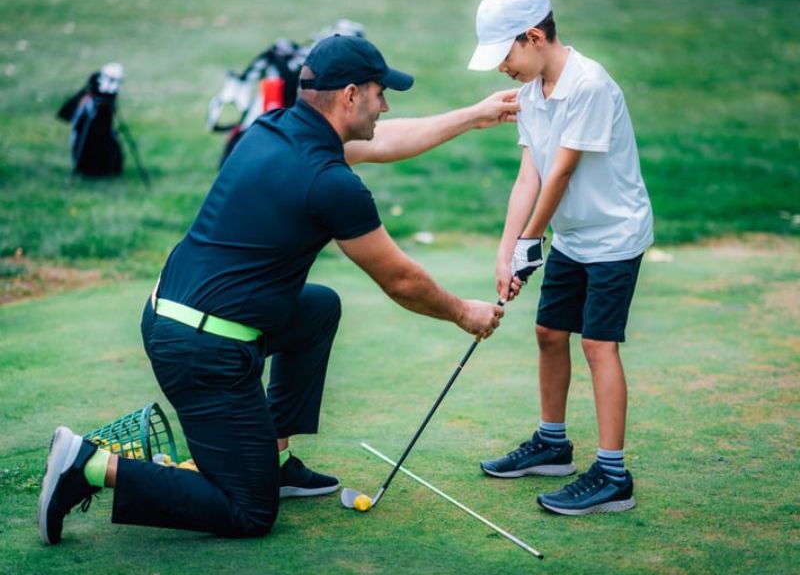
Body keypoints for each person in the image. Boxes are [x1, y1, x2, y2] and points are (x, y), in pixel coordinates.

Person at [38, 34, 512, 545]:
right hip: (202, 352)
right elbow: (400, 280)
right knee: (248, 512)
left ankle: (275, 457)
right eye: (379, 93)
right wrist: (464, 312)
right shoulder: (329, 181)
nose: (385, 105)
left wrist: (473, 115)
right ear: (350, 96)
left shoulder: (273, 129)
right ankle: (88, 464)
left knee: (318, 308)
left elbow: (389, 138)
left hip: (180, 316)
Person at [467, 0, 653, 515]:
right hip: (573, 235)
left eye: (505, 54)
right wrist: (508, 251)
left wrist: (531, 240)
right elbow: (531, 174)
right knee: (549, 332)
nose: (502, 67)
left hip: (614, 235)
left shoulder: (589, 85)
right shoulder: (530, 93)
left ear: (533, 36)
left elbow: (563, 172)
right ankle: (552, 445)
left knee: (598, 345)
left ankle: (614, 475)